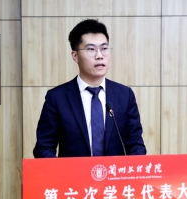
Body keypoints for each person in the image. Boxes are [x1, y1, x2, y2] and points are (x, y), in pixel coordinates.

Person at [33, 19, 146, 158]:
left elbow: (136, 145)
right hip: (73, 172)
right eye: (91, 49)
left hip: (115, 172)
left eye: (104, 49)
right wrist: (61, 171)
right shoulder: (57, 98)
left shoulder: (125, 95)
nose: (99, 56)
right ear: (75, 56)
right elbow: (44, 147)